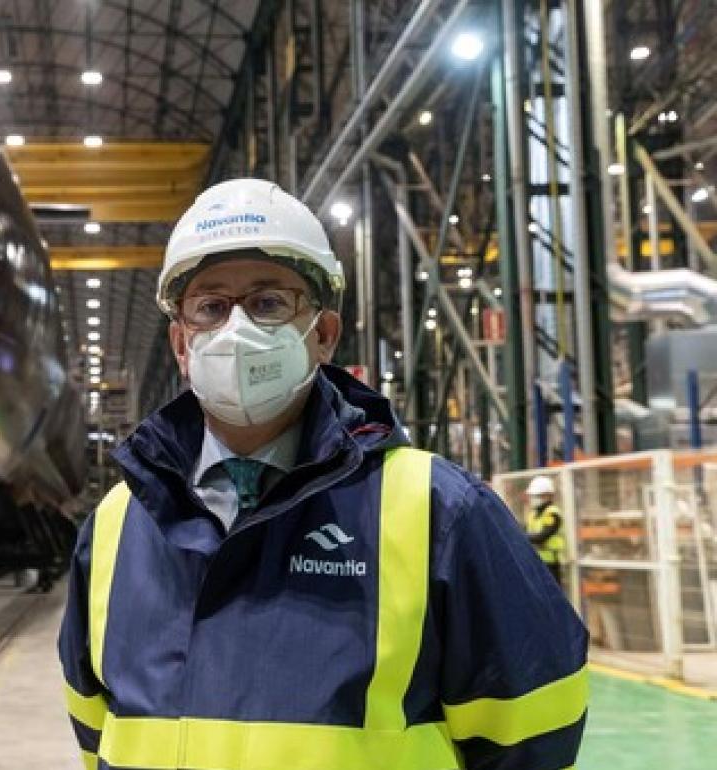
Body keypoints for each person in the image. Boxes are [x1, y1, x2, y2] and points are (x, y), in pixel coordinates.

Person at [58, 179, 588, 770]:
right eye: (210, 307)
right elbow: (97, 731)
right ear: (182, 343)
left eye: (267, 304)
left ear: (324, 335)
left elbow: (534, 735)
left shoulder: (442, 514)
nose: (236, 332)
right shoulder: (113, 529)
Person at [525, 475, 567, 584]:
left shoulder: (552, 513)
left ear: (548, 496)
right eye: (533, 496)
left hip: (551, 563)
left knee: (552, 596)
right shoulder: (533, 514)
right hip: (535, 562)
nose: (533, 499)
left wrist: (521, 536)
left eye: (537, 496)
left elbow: (542, 536)